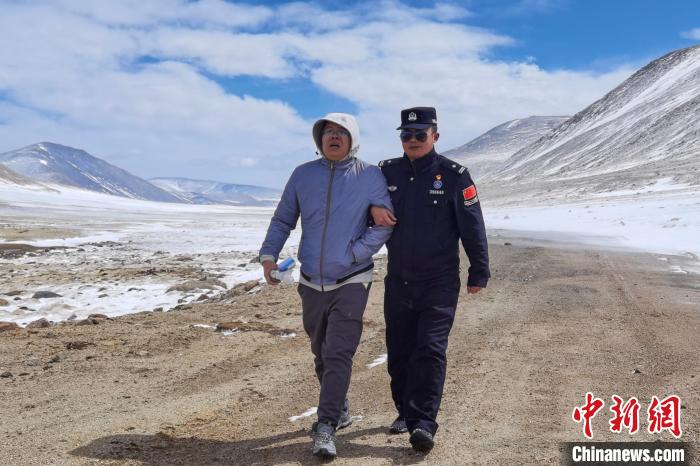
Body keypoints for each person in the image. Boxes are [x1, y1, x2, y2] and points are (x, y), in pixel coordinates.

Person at [259, 112, 393, 459]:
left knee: (338, 352)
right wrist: (269, 256)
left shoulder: (369, 175)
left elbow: (384, 223)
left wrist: (355, 253)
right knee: (320, 352)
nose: (333, 137)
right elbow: (283, 219)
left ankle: (326, 425)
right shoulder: (303, 175)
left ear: (353, 139)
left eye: (341, 133)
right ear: (319, 139)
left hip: (352, 279)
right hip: (311, 281)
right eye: (328, 132)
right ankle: (340, 408)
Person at [372, 106, 490, 453]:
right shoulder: (386, 172)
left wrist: (479, 269)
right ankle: (405, 412)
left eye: (420, 134)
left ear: (434, 136)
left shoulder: (454, 176)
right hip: (399, 281)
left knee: (430, 349)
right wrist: (372, 210)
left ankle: (423, 422)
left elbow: (472, 226)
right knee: (399, 351)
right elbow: (364, 208)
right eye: (406, 134)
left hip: (439, 282)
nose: (412, 139)